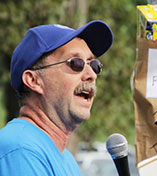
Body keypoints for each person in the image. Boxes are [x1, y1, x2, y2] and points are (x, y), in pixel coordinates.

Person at [0, 20, 113, 175]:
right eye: (76, 63)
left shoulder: (66, 159)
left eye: (94, 65)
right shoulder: (21, 150)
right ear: (34, 81)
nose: (92, 75)